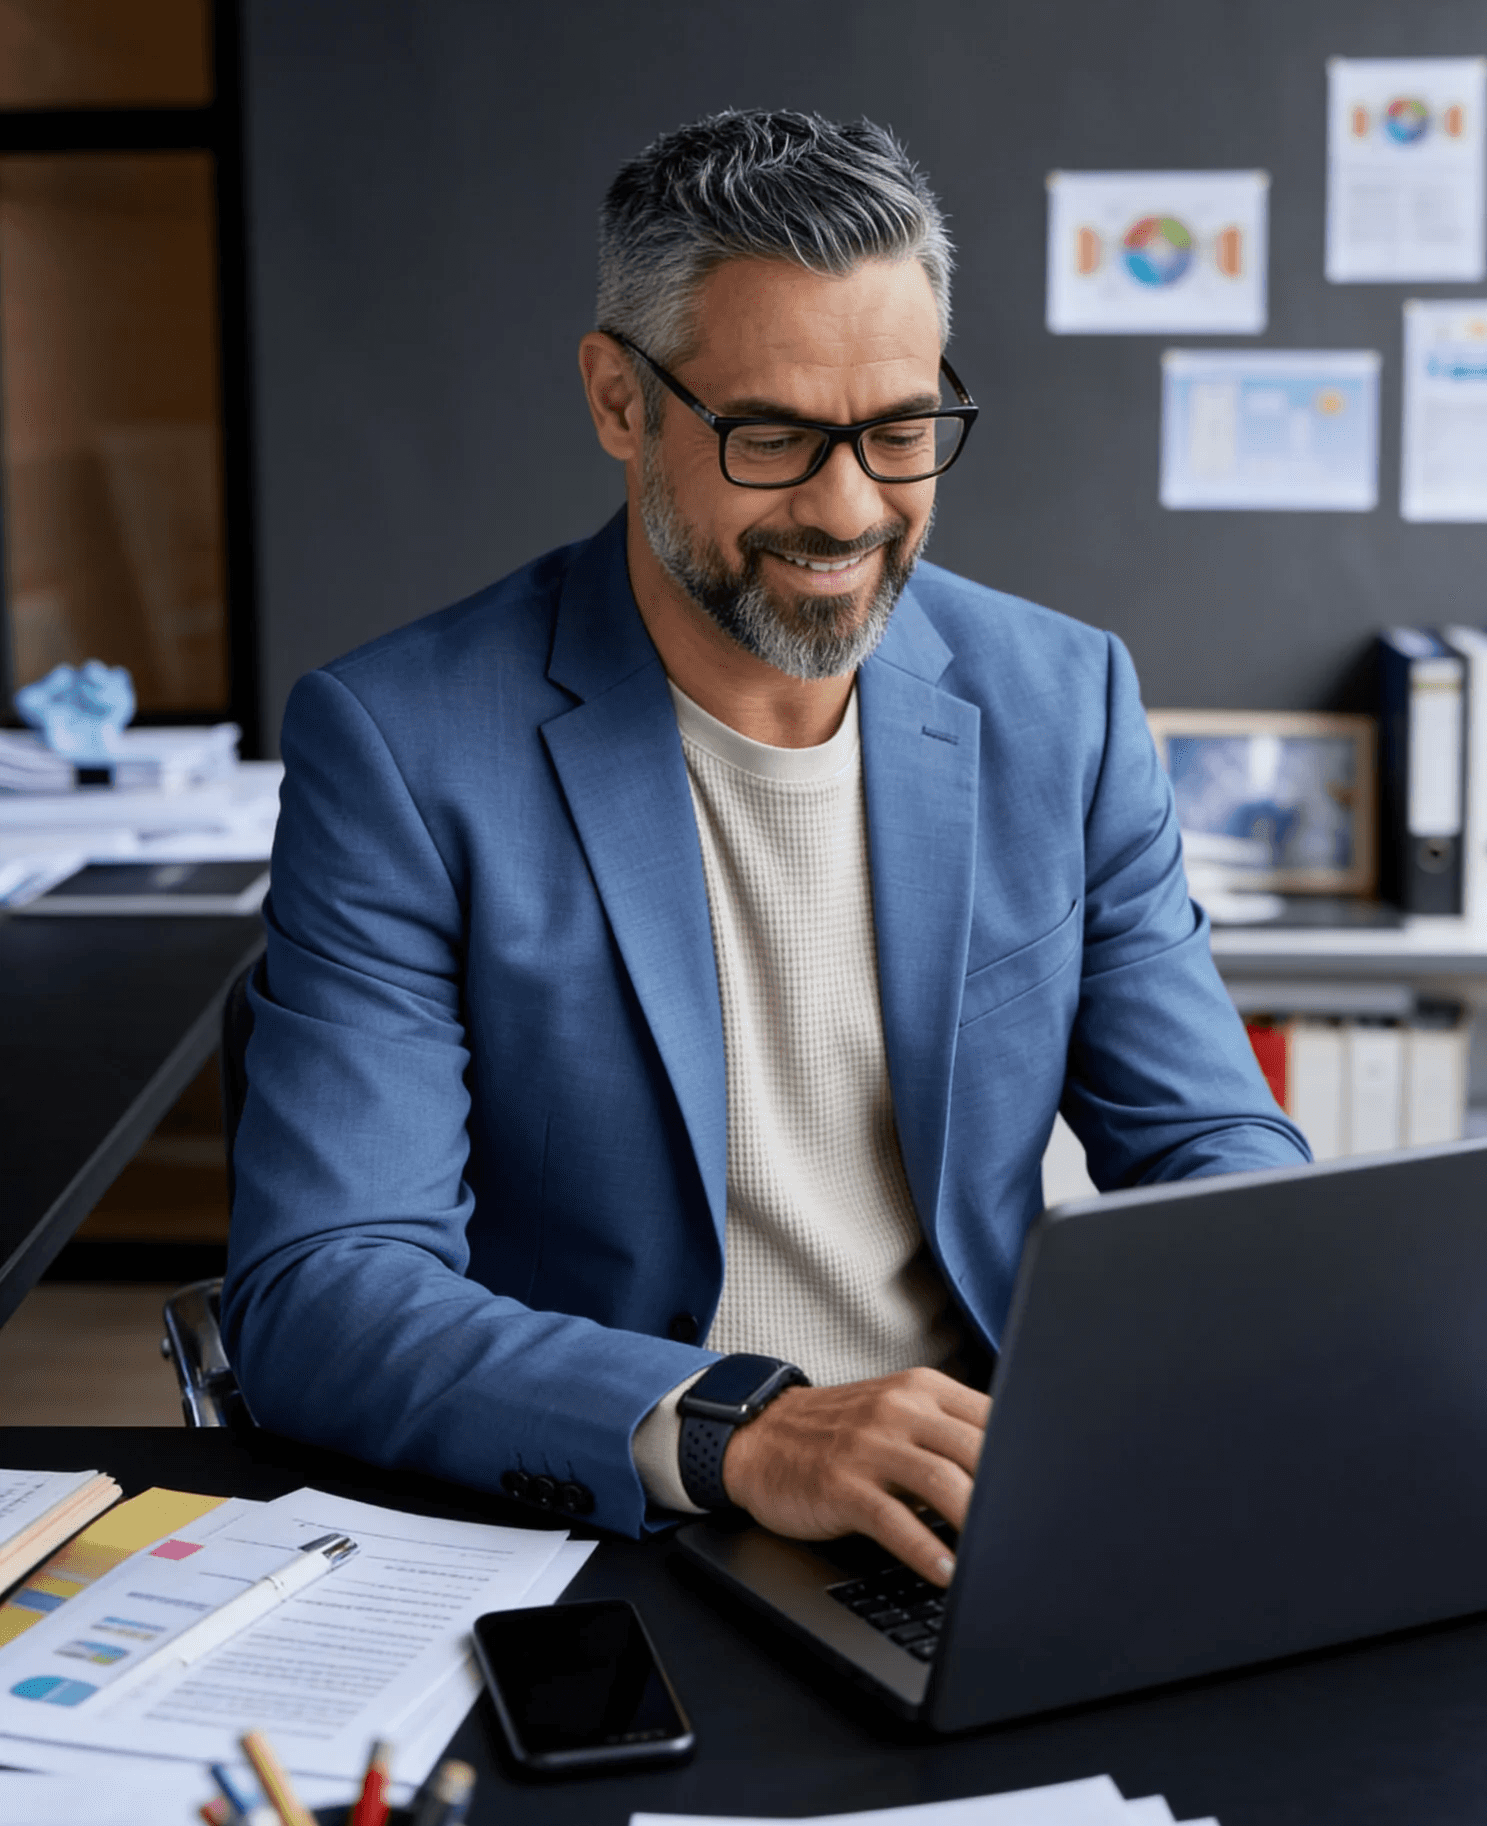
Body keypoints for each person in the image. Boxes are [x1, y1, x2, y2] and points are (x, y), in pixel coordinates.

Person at [224, 111, 1306, 1583]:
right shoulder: (403, 747)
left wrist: (1314, 1328)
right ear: (619, 400)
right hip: (617, 1523)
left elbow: (1208, 1143)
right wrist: (746, 1430)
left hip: (975, 1501)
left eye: (903, 431)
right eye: (775, 436)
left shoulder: (1066, 702)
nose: (851, 509)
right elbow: (323, 1288)